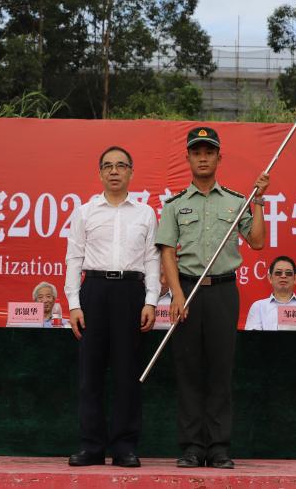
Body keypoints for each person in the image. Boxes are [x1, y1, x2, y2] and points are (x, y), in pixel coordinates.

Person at [156, 126, 269, 469]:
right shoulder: (175, 205)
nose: (202, 158)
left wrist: (258, 201)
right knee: (189, 370)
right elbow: (167, 252)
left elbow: (257, 242)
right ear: (188, 158)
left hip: (222, 292)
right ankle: (192, 447)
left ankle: (219, 447)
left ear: (220, 158)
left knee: (220, 370)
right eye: (197, 152)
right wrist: (176, 294)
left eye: (209, 152)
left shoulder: (236, 201)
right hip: (187, 292)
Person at [64, 146, 160, 468]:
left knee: (127, 373)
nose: (114, 171)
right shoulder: (85, 212)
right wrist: (74, 304)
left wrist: (150, 300)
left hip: (131, 292)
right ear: (100, 173)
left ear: (131, 171)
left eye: (121, 165)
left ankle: (124, 447)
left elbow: (152, 259)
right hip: (94, 290)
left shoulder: (145, 213)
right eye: (108, 166)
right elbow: (74, 258)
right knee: (90, 374)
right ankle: (91, 446)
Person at [244, 256, 296, 330]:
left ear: (295, 278)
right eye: (278, 273)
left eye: (288, 273)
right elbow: (253, 337)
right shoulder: (258, 307)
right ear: (270, 278)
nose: (283, 276)